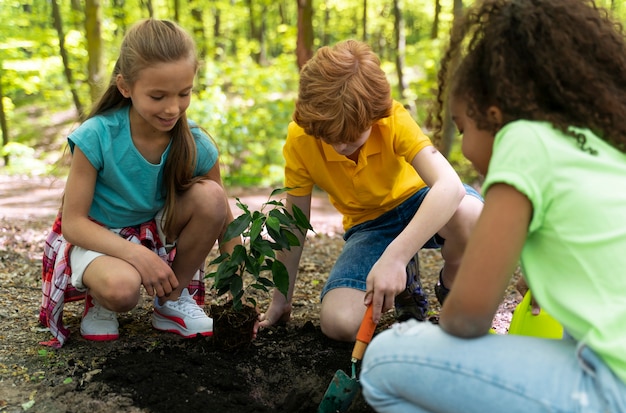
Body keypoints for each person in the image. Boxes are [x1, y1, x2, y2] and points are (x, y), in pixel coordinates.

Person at [360, 0, 626, 413]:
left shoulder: (522, 142)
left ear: (495, 115)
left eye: (463, 127)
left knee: (384, 361)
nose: (463, 147)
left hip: (609, 389)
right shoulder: (597, 146)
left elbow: (466, 319)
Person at [257, 39, 483, 342]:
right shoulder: (300, 139)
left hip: (421, 204)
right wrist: (281, 299)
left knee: (471, 214)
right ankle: (405, 284)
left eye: (352, 137)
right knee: (339, 324)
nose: (340, 146)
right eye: (329, 137)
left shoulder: (392, 118)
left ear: (375, 115)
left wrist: (395, 257)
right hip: (369, 228)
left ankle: (453, 284)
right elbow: (295, 222)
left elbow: (449, 187)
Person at [39, 19, 238, 347]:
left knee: (212, 197)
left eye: (184, 93)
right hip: (98, 238)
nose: (173, 108)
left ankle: (172, 299)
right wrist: (136, 254)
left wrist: (238, 292)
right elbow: (73, 224)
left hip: (154, 234)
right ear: (125, 86)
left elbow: (226, 223)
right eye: (158, 96)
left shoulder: (195, 144)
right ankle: (100, 301)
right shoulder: (98, 136)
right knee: (122, 290)